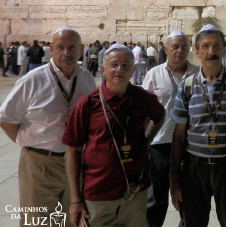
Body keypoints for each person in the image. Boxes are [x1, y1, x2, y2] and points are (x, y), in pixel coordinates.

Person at [0, 26, 96, 223]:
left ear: (81, 49)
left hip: (75, 163)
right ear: (51, 49)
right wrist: (28, 143)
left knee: (73, 220)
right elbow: (6, 118)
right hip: (39, 164)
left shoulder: (86, 78)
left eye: (72, 47)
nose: (66, 53)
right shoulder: (33, 80)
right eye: (60, 47)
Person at [63, 44, 165, 227]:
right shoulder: (88, 103)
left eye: (126, 65)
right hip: (98, 195)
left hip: (135, 191)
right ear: (103, 69)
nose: (120, 70)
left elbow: (160, 115)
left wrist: (147, 140)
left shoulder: (142, 98)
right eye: (114, 65)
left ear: (133, 70)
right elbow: (73, 151)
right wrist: (75, 200)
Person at [170, 24, 226, 227]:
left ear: (225, 48)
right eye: (205, 46)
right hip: (194, 170)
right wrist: (174, 181)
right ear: (197, 52)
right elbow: (179, 136)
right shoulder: (187, 86)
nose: (211, 51)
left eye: (216, 46)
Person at [143, 31, 199, 227]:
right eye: (175, 46)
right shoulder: (154, 74)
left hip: (189, 146)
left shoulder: (198, 74)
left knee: (188, 199)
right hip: (160, 145)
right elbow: (144, 110)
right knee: (155, 200)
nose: (180, 50)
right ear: (166, 50)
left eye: (184, 46)